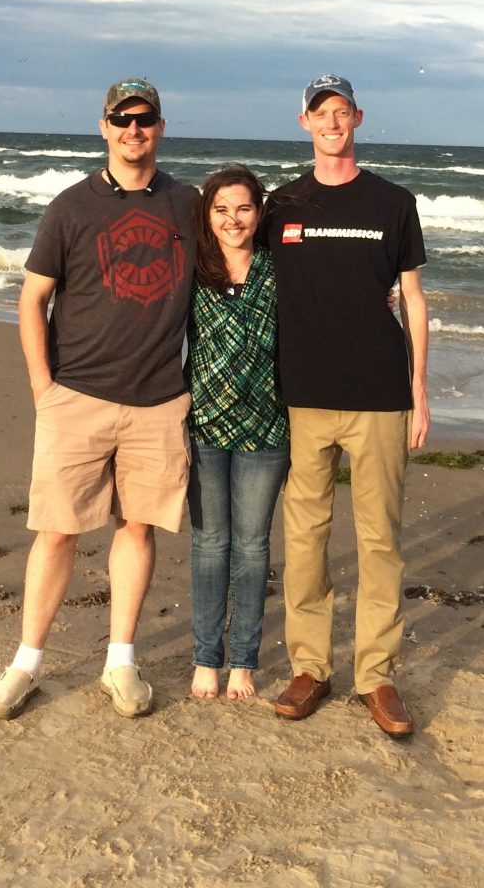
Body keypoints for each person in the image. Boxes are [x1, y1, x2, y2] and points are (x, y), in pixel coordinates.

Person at [0, 77, 198, 721]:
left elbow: (245, 241)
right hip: (75, 396)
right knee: (56, 533)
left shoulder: (188, 205)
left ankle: (121, 662)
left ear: (161, 127)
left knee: (137, 527)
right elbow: (32, 299)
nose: (134, 129)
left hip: (160, 399)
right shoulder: (71, 208)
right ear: (103, 126)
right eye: (122, 119)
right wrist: (42, 387)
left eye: (145, 119)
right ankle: (27, 663)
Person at [264, 73, 429, 736]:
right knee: (304, 538)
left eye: (341, 111)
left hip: (381, 395)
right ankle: (310, 668)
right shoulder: (281, 204)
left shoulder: (393, 203)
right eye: (319, 113)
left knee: (380, 538)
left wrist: (419, 393)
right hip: (301, 396)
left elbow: (413, 300)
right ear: (303, 122)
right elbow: (242, 279)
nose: (331, 122)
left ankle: (377, 678)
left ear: (358, 117)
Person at [184, 165, 290, 702]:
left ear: (260, 212)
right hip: (203, 425)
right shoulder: (192, 269)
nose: (233, 219)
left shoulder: (280, 269)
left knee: (251, 548)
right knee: (209, 545)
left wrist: (381, 301)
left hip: (267, 429)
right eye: (221, 209)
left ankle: (244, 661)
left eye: (244, 208)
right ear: (208, 214)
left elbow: (333, 303)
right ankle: (207, 657)